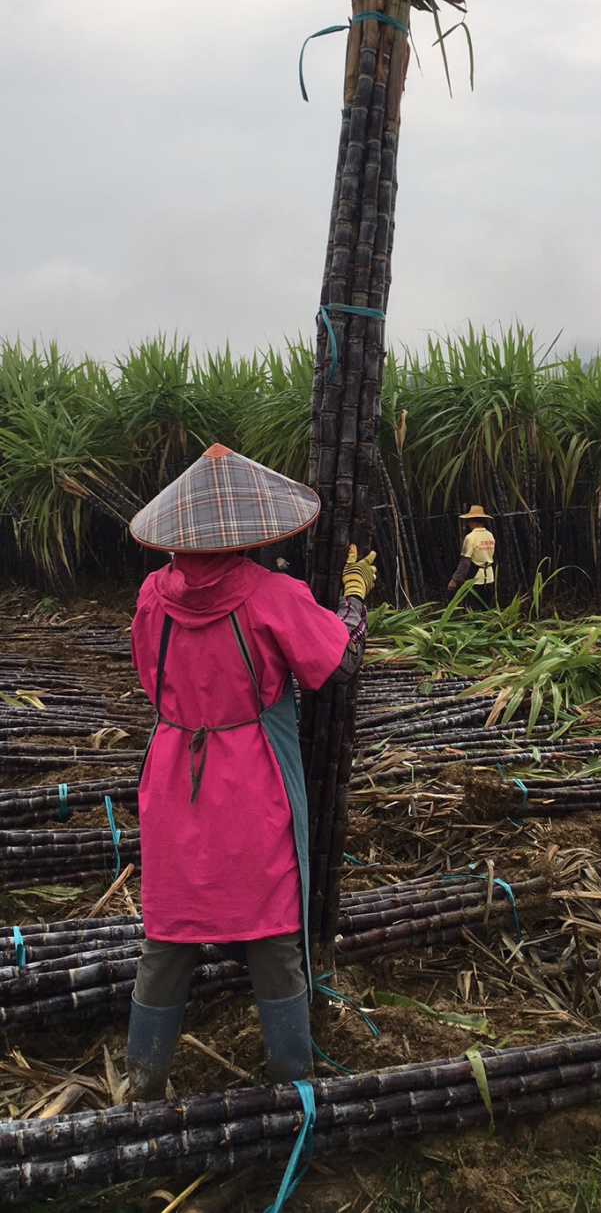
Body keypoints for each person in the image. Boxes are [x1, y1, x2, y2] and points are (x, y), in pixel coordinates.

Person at [124, 442, 377, 1100]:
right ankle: (293, 1083)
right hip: (250, 783)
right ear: (246, 534)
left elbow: (150, 680)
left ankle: (144, 1079)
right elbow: (338, 665)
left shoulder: (153, 594)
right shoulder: (273, 595)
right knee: (271, 935)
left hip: (173, 777)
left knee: (168, 935)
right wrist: (355, 601)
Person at [447, 504, 496, 609]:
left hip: (476, 578)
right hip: (489, 577)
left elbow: (465, 562)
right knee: (486, 608)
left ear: (473, 522)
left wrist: (455, 579)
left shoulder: (470, 537)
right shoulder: (490, 535)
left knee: (473, 608)